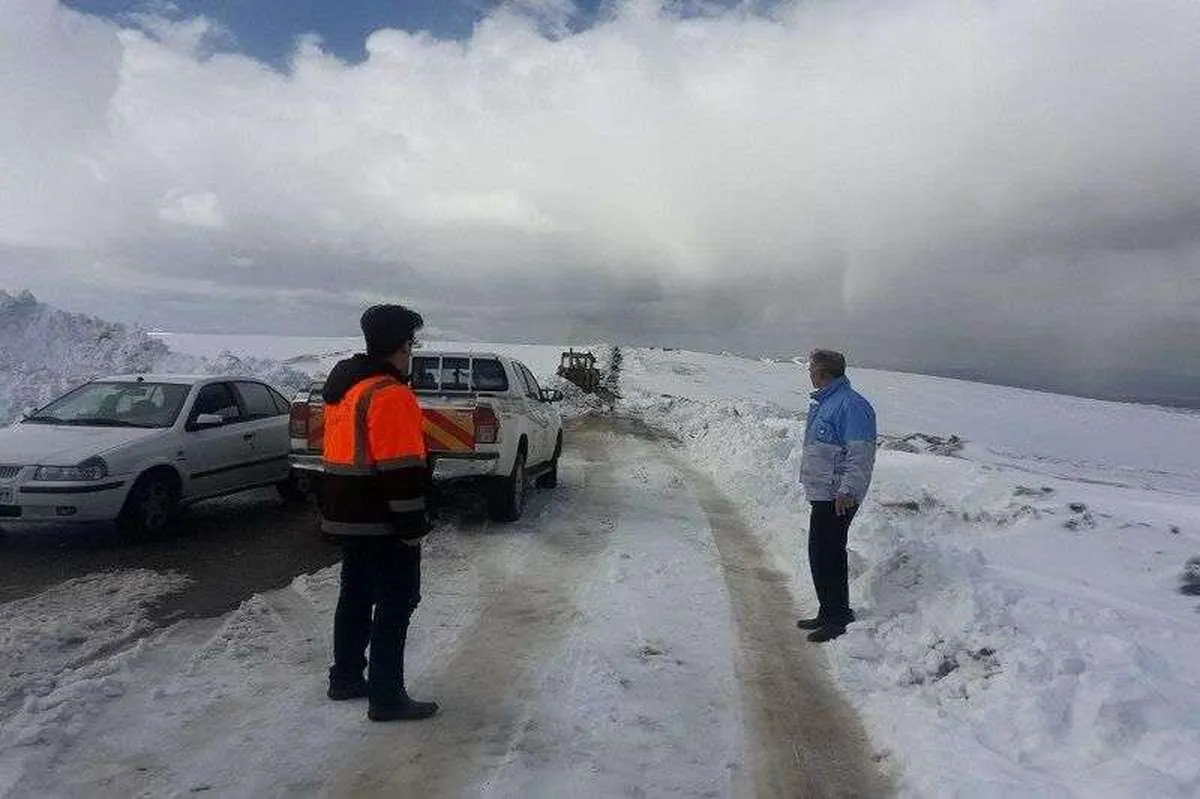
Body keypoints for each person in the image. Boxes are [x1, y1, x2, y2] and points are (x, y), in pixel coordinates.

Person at [321, 303, 438, 721]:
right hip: (383, 520)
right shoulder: (390, 396)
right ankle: (387, 697)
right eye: (411, 343)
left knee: (354, 595)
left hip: (347, 514)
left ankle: (347, 677)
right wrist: (412, 526)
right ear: (400, 345)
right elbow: (402, 471)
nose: (412, 351)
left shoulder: (347, 390)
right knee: (397, 601)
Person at [796, 349, 877, 643]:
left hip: (837, 496)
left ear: (823, 372)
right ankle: (828, 611)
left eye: (811, 368)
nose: (808, 372)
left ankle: (838, 616)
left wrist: (848, 490)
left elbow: (861, 452)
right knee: (820, 553)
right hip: (823, 492)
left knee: (829, 554)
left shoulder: (851, 406)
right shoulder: (826, 402)